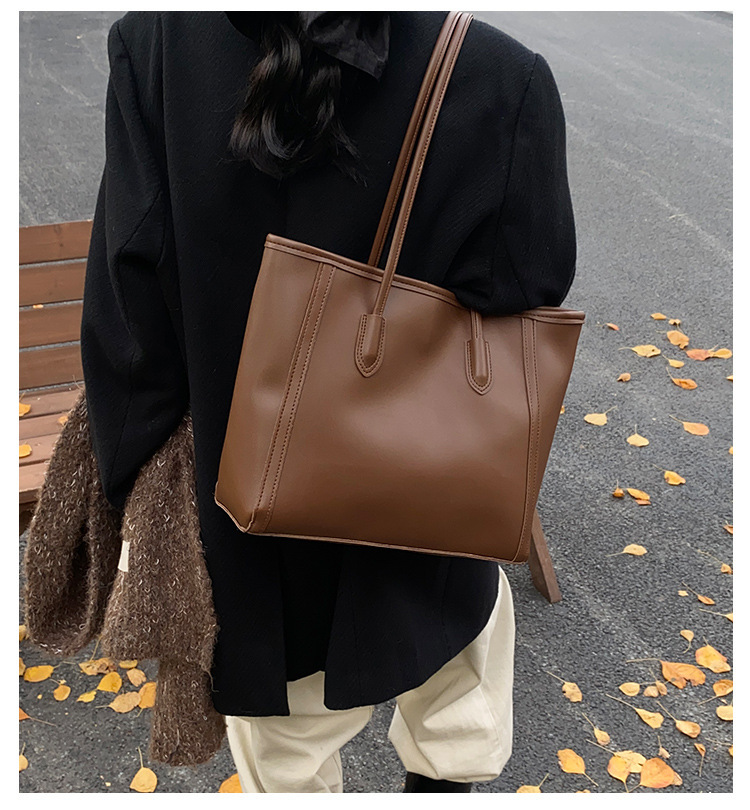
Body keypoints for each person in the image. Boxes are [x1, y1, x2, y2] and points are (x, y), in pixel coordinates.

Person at [79, 11, 576, 793]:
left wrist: (134, 484)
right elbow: (529, 279)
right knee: (457, 702)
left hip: (247, 513)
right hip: (432, 499)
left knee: (285, 760)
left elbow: (129, 306)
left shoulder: (157, 43)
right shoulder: (495, 73)